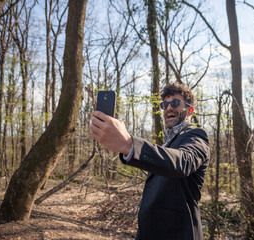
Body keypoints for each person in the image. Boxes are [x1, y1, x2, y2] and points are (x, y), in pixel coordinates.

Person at [90, 83, 210, 240]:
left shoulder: (196, 135)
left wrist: (129, 144)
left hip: (178, 233)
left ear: (190, 110)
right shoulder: (167, 142)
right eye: (164, 104)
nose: (168, 108)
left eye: (174, 103)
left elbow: (182, 161)